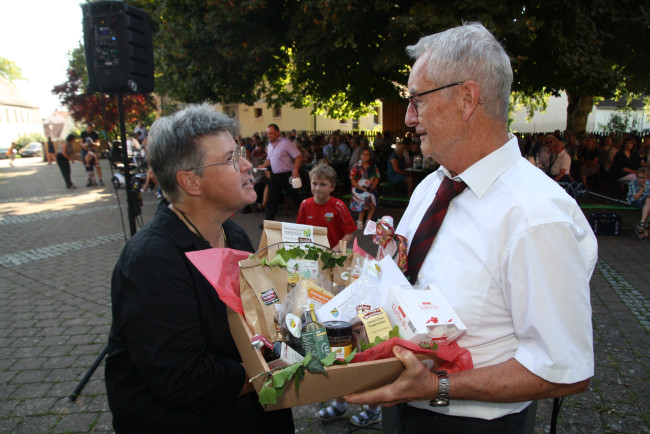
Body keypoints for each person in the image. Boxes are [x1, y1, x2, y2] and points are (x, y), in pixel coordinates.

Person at [344, 23, 597, 433]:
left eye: (417, 100)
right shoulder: (433, 186)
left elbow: (565, 369)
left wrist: (437, 386)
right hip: (403, 409)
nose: (409, 117)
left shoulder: (536, 217)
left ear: (466, 99)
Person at [104, 103, 294, 433]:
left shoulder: (233, 233)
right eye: (232, 158)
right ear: (191, 182)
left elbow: (254, 323)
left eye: (242, 152)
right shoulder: (151, 261)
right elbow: (184, 381)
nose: (248, 164)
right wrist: (282, 366)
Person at [296, 163, 357, 252]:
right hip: (311, 254)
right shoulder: (304, 205)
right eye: (314, 183)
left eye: (323, 184)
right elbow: (299, 231)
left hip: (334, 254)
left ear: (332, 187)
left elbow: (349, 234)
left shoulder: (339, 206)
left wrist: (334, 250)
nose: (317, 188)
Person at [257, 123, 303, 221]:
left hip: (286, 174)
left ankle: (308, 215)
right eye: (267, 133)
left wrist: (295, 170)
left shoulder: (286, 143)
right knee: (271, 198)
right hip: (275, 175)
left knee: (295, 197)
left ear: (277, 132)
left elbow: (298, 156)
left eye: (271, 133)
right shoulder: (269, 145)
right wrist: (263, 166)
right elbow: (269, 159)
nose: (269, 135)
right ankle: (269, 221)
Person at [350, 148, 380, 230]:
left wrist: (373, 186)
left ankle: (368, 221)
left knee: (373, 201)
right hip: (358, 189)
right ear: (360, 155)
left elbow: (377, 178)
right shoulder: (356, 166)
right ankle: (360, 221)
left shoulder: (373, 166)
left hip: (370, 188)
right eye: (363, 154)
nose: (365, 156)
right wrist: (362, 188)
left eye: (367, 154)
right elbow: (353, 180)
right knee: (365, 201)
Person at [626, 166, 650, 239]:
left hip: (647, 202)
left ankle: (642, 225)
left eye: (643, 178)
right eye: (639, 177)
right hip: (635, 201)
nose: (641, 179)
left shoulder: (649, 184)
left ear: (648, 177)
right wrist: (642, 188)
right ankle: (644, 227)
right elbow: (636, 197)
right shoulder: (633, 183)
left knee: (649, 201)